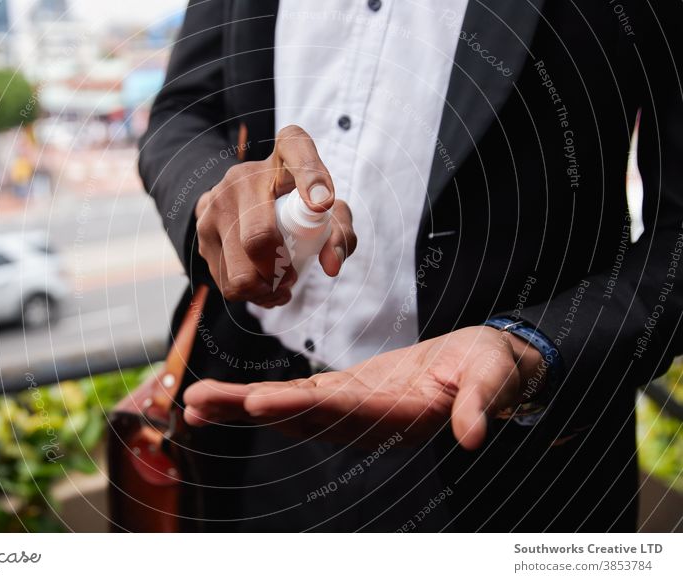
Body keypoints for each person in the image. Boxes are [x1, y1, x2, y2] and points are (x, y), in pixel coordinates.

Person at [139, 0, 683, 532]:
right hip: (243, 412)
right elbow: (184, 110)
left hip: (503, 456)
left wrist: (528, 347)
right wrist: (212, 202)